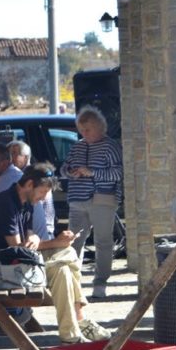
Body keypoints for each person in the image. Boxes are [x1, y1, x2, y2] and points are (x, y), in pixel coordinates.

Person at [0, 163, 112, 345]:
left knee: (64, 267)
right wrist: (54, 242)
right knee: (66, 256)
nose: (42, 199)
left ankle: (71, 333)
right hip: (0, 268)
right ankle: (78, 323)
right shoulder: (5, 204)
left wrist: (35, 238)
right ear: (29, 184)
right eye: (42, 193)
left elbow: (29, 235)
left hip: (19, 261)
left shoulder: (27, 201)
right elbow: (17, 248)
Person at [61, 106, 123, 299]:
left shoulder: (110, 146)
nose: (83, 134)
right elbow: (63, 168)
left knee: (103, 242)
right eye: (81, 130)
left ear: (99, 127)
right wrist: (70, 171)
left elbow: (119, 173)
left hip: (102, 199)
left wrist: (93, 172)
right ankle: (72, 283)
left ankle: (100, 282)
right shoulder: (78, 145)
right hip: (77, 200)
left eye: (87, 130)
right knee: (73, 242)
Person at [8, 140, 54, 241]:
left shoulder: (39, 179)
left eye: (14, 153)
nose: (10, 157)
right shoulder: (11, 200)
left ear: (25, 157)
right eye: (9, 153)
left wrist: (35, 238)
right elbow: (17, 247)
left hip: (45, 231)